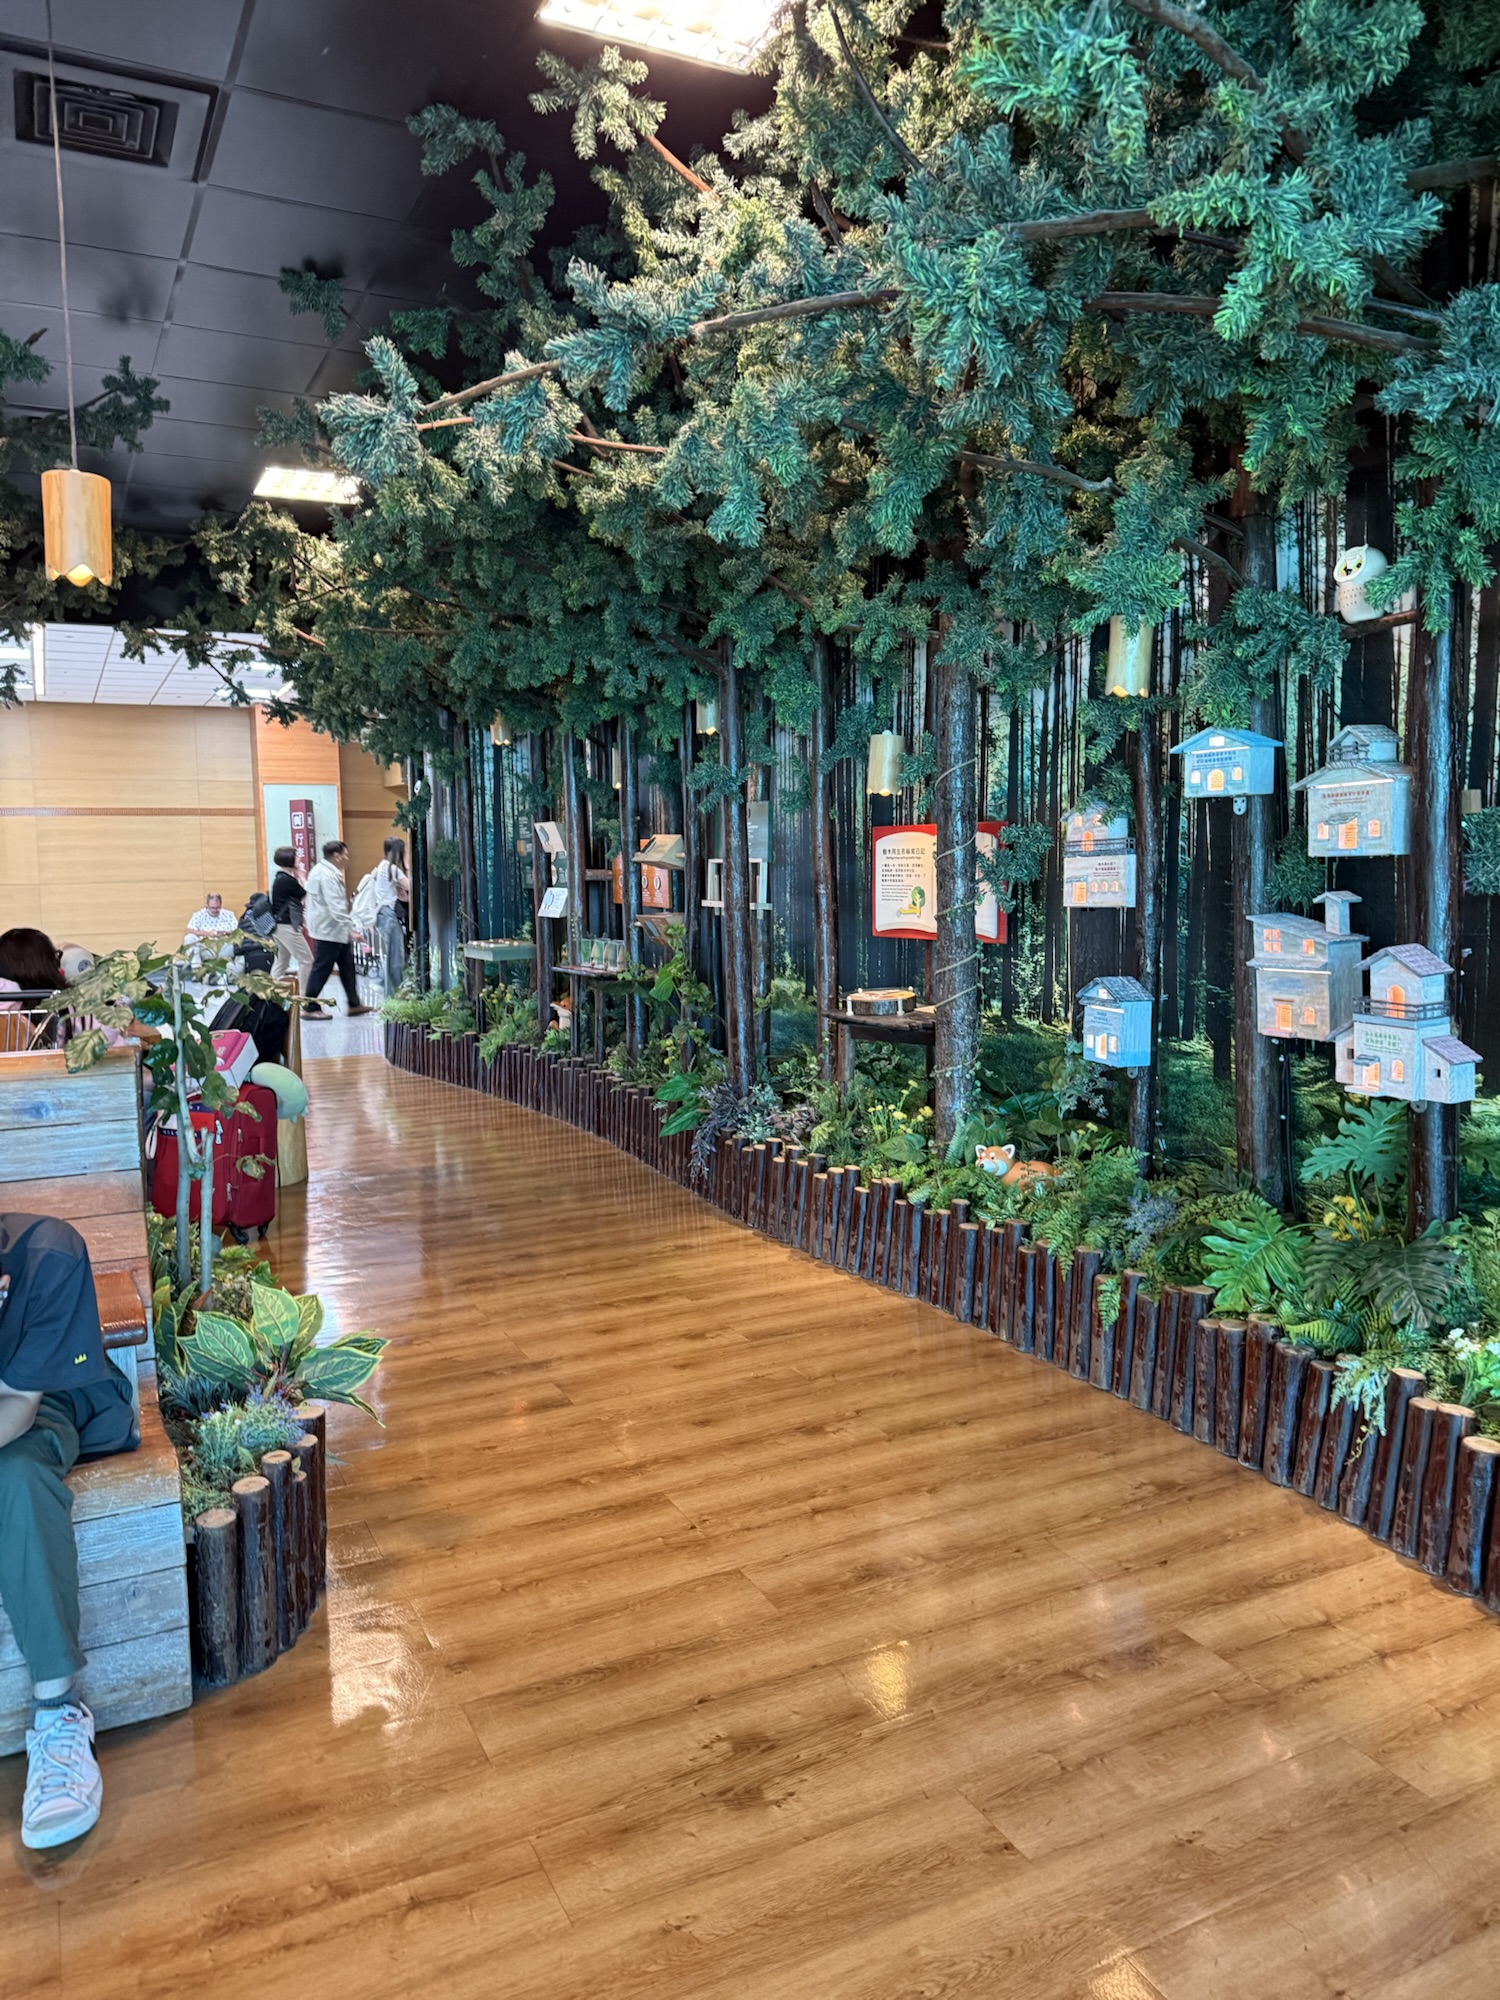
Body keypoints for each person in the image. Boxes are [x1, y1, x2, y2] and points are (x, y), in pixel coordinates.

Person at [0, 1213, 139, 1849]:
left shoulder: (46, 1256)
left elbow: (17, 1406)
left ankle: (58, 1714)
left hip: (33, 1404)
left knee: (16, 1475)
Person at [302, 840, 372, 1021]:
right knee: (322, 969)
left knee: (347, 966)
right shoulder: (326, 875)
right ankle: (310, 1007)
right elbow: (336, 907)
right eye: (346, 855)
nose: (348, 858)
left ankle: (354, 1004)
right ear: (337, 856)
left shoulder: (323, 871)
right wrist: (352, 930)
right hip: (329, 930)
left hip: (334, 930)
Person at [269, 847, 314, 990]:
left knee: (282, 961)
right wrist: (302, 877)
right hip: (287, 927)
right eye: (296, 857)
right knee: (307, 960)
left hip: (278, 926)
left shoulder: (280, 878)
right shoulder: (287, 880)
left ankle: (270, 993)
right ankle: (305, 996)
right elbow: (306, 895)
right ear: (289, 860)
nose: (299, 859)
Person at [373, 837, 409, 990]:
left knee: (394, 954)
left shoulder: (381, 866)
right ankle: (393, 993)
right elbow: (411, 886)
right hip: (389, 915)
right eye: (404, 851)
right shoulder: (393, 869)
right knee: (396, 957)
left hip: (381, 914)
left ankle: (385, 985)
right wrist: (407, 864)